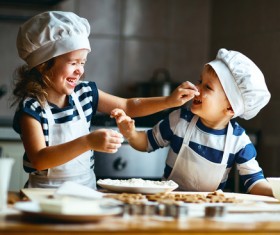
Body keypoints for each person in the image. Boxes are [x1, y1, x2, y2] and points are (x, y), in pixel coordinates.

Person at [11, 11, 199, 189]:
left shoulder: (85, 93)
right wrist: (87, 142)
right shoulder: (32, 108)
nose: (80, 70)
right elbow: (39, 159)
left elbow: (128, 105)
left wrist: (168, 101)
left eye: (82, 62)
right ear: (44, 65)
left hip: (85, 193)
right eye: (73, 62)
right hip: (42, 197)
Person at [112, 48, 273, 196]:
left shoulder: (238, 141)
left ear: (231, 107)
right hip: (169, 205)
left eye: (207, 87)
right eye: (199, 81)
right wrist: (131, 134)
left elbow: (254, 182)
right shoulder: (180, 120)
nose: (196, 88)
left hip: (209, 211)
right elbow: (146, 142)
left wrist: (274, 191)